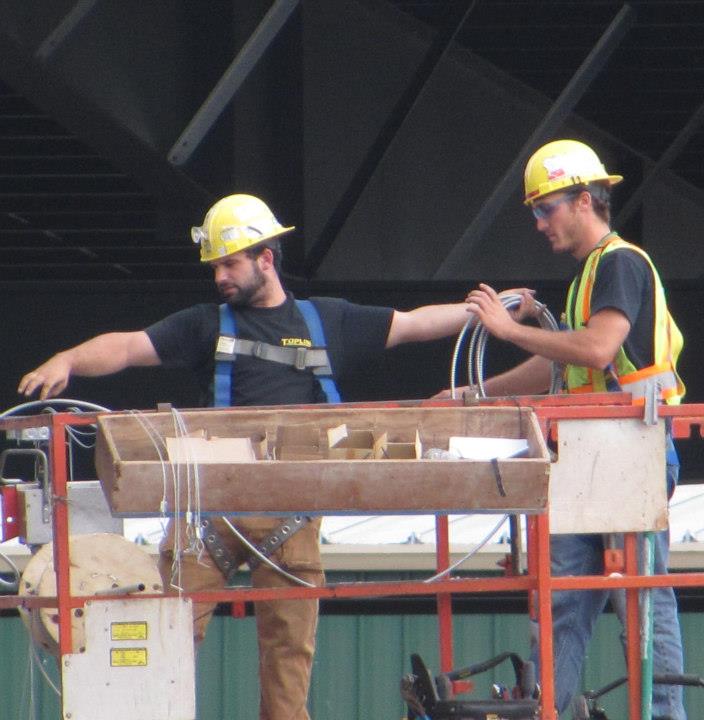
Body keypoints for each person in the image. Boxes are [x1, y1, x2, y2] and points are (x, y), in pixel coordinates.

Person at [17, 193, 483, 720]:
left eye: (230, 263)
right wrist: (70, 359)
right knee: (159, 640)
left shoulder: (328, 321)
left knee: (288, 669)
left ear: (266, 258)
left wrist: (485, 312)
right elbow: (128, 347)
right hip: (208, 514)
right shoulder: (205, 325)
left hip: (291, 517)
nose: (220, 276)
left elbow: (415, 323)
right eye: (215, 265)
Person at [457, 139, 687, 719]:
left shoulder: (620, 262)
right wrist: (472, 394)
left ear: (584, 201)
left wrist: (507, 332)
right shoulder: (590, 274)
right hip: (592, 451)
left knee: (640, 602)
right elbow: (564, 361)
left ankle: (664, 714)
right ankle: (551, 711)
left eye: (545, 208)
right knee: (562, 601)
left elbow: (597, 344)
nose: (538, 223)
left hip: (629, 448)